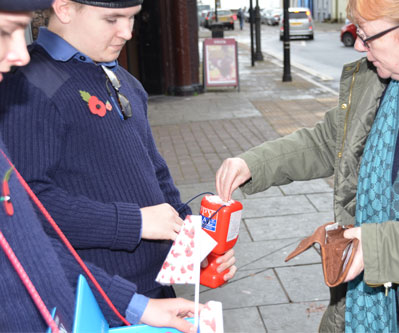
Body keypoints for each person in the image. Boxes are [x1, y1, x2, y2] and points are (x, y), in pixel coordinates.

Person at [215, 0, 399, 331]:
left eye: (368, 35)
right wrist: (254, 163)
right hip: (367, 311)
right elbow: (330, 139)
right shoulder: (378, 80)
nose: (360, 45)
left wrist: (379, 248)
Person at [0, 0, 235, 311]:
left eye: (132, 18)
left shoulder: (125, 80)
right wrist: (133, 222)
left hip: (156, 286)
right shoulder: (27, 88)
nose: (127, 32)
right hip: (96, 296)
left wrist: (195, 247)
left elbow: (155, 172)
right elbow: (25, 207)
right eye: (112, 19)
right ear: (65, 9)